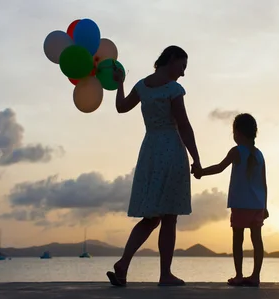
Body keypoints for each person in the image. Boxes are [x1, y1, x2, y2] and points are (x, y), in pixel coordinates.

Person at [106, 45, 201, 287]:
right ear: (170, 60)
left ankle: (123, 264)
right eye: (182, 66)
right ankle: (165, 274)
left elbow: (121, 107)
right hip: (171, 150)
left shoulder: (141, 86)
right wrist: (196, 158)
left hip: (150, 150)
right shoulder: (173, 89)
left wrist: (120, 83)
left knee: (151, 217)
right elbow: (184, 126)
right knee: (169, 217)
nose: (183, 72)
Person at [193, 113, 268, 287]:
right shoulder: (260, 155)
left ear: (238, 133)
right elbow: (264, 183)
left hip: (241, 204)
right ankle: (255, 276)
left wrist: (200, 172)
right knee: (257, 241)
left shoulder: (237, 151)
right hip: (257, 205)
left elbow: (219, 168)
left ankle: (239, 275)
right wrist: (265, 206)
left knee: (238, 240)